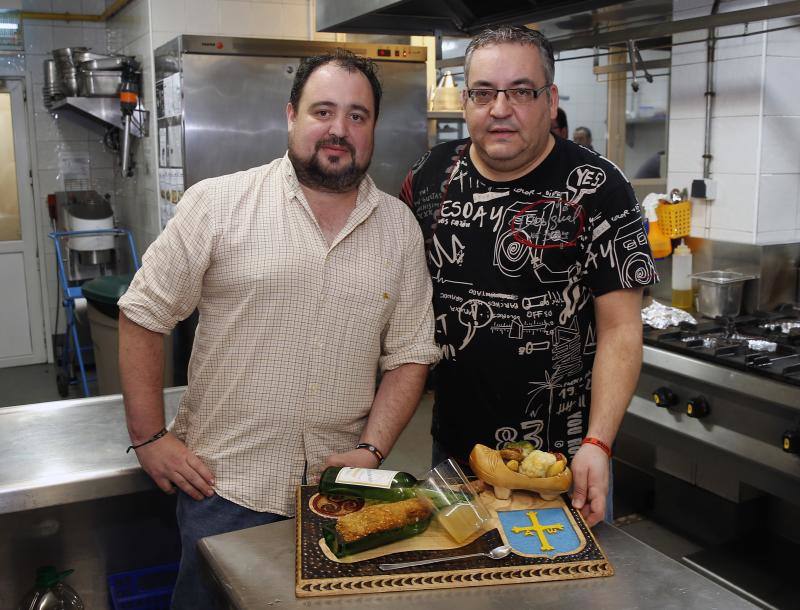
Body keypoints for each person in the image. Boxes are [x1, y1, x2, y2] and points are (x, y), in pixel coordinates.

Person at [119, 49, 439, 609]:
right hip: (225, 492)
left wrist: (372, 448)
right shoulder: (217, 204)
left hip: (342, 495)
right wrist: (149, 437)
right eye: (323, 111)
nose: (339, 130)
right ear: (290, 115)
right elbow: (143, 313)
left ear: (373, 129)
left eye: (357, 116)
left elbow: (411, 354)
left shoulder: (398, 229)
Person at [400, 26, 657, 528]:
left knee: (564, 593)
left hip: (563, 460)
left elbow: (622, 328)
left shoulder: (599, 188)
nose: (500, 109)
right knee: (463, 586)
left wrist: (598, 443)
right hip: (455, 451)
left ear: (550, 99)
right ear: (466, 100)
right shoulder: (431, 175)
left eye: (521, 91)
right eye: (483, 92)